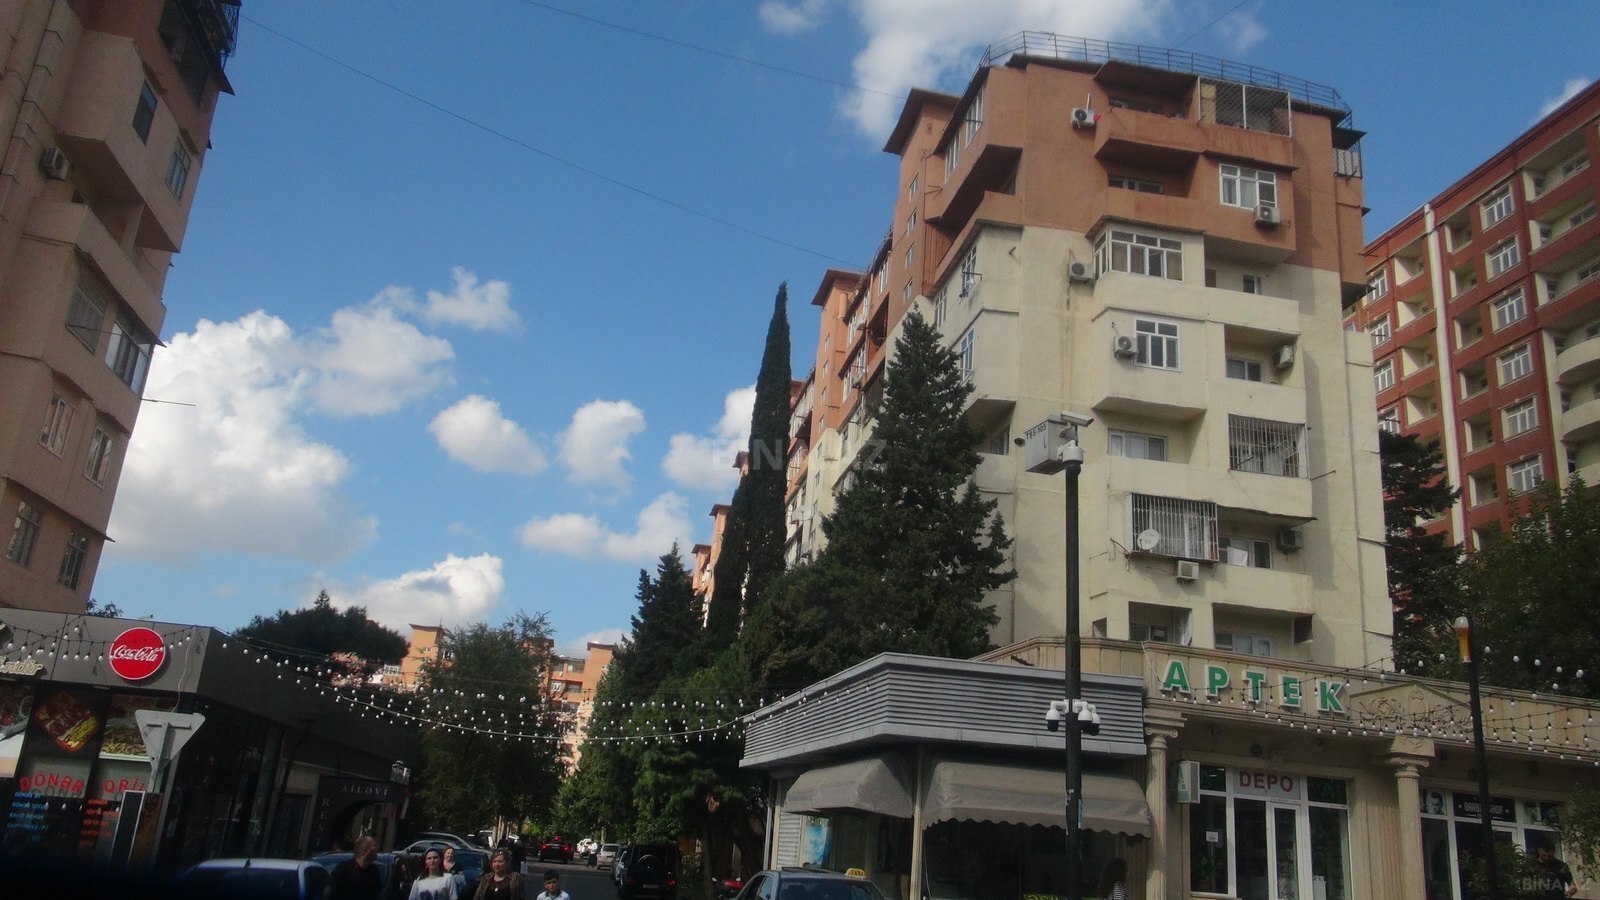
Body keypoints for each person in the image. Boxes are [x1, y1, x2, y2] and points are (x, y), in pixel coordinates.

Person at [325, 834, 382, 900]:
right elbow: (329, 893)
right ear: (366, 850)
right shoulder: (343, 869)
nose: (378, 848)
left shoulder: (374, 871)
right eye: (374, 846)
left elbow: (376, 895)